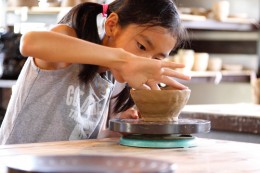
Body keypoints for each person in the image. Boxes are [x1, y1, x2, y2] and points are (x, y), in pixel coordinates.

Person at [0, 0, 190, 144]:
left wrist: (116, 130)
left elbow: (74, 137)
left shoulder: (109, 75)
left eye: (157, 59)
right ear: (112, 25)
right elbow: (30, 42)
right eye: (141, 46)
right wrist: (126, 60)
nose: (145, 62)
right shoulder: (69, 39)